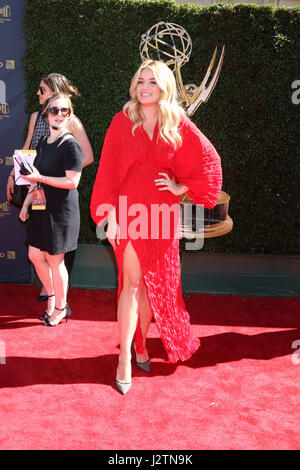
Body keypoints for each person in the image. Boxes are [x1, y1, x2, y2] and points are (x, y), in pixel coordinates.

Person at [90, 60, 222, 394]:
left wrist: (183, 188)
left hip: (162, 212)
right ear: (134, 86)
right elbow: (106, 170)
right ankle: (124, 360)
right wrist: (111, 215)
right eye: (140, 80)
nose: (145, 86)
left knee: (151, 285)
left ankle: (141, 344)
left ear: (164, 87)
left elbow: (209, 160)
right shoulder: (121, 122)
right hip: (130, 210)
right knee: (131, 284)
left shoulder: (176, 122)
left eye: (152, 81)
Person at [7, 73, 94, 304]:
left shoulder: (71, 121)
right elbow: (28, 149)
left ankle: (57, 298)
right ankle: (51, 289)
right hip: (37, 191)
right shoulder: (37, 116)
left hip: (59, 190)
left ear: (54, 91)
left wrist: (59, 171)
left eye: (42, 89)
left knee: (56, 249)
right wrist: (13, 174)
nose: (38, 93)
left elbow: (87, 156)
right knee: (39, 244)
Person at [19, 92, 83, 326]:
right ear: (46, 114)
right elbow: (34, 179)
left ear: (69, 115)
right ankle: (53, 294)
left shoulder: (71, 146)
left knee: (55, 261)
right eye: (54, 110)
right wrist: (26, 205)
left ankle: (60, 307)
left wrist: (42, 178)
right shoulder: (44, 144)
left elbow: (72, 182)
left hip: (61, 212)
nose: (58, 114)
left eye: (63, 110)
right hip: (40, 207)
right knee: (34, 255)